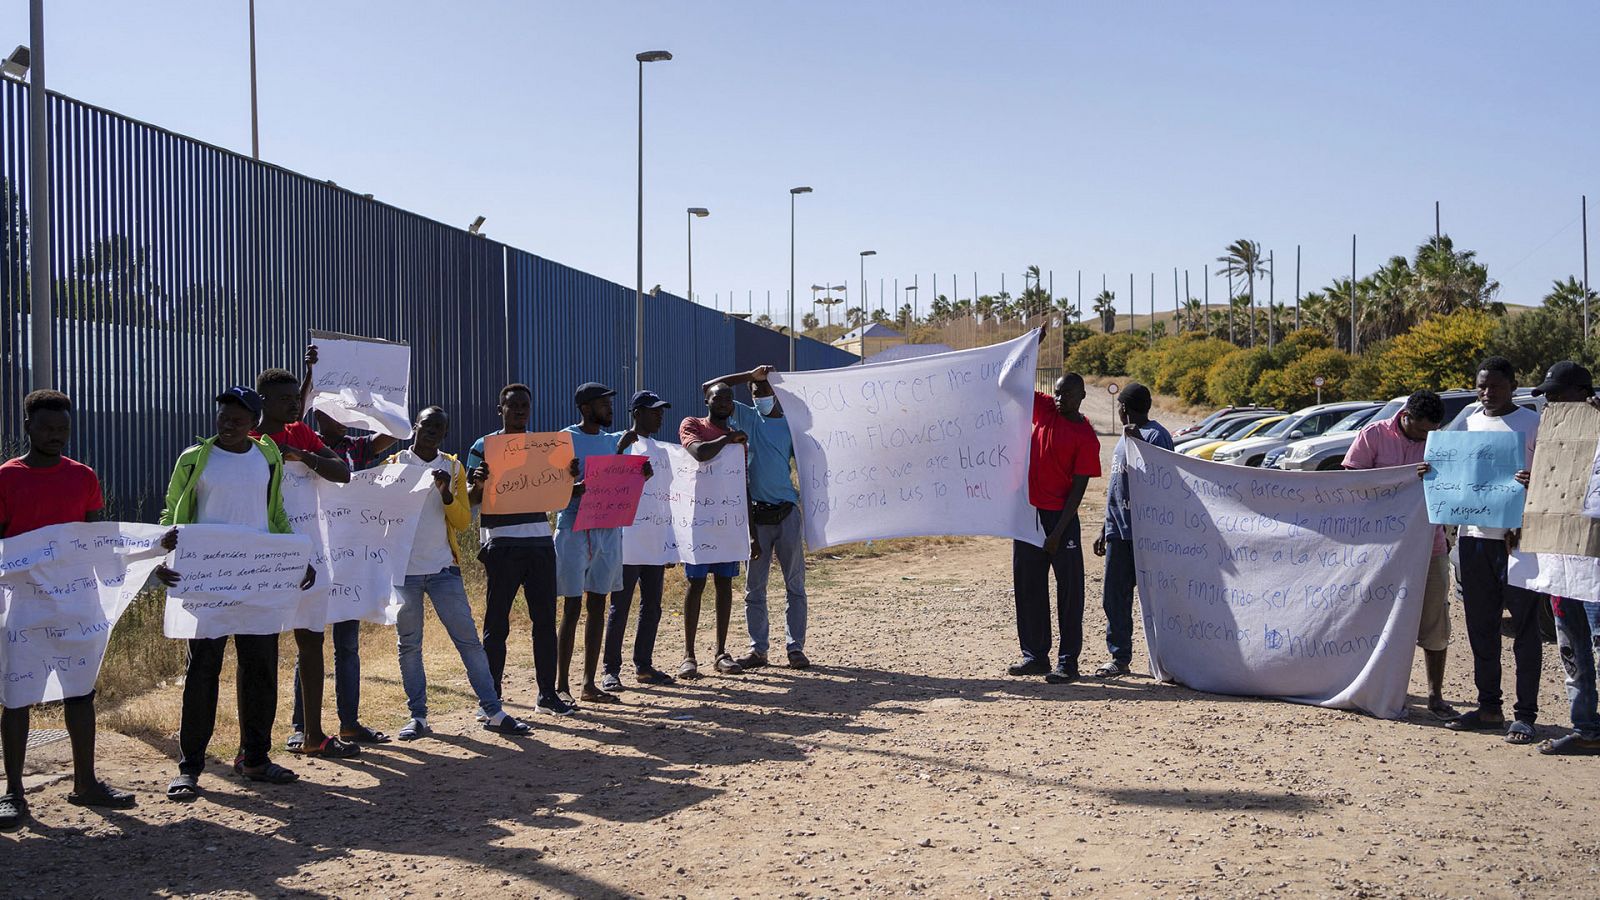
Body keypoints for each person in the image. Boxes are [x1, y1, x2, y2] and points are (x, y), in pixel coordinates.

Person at [0, 391, 175, 828]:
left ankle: (86, 783)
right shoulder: (6, 478)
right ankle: (14, 793)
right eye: (46, 428)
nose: (56, 436)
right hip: (22, 606)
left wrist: (152, 548)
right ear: (28, 428)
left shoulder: (83, 476)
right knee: (17, 696)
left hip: (76, 602)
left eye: (62, 429)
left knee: (80, 692)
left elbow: (99, 543)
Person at [164, 387, 318, 800]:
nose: (228, 423)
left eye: (237, 418)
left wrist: (295, 556)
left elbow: (276, 513)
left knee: (261, 671)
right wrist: (160, 558)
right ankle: (190, 768)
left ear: (253, 422)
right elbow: (171, 511)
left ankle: (256, 759)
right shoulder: (194, 459)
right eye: (223, 416)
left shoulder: (267, 457)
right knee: (202, 673)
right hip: (207, 583)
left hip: (258, 582)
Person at [387, 406, 531, 739]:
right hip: (404, 573)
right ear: (414, 427)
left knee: (468, 641)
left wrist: (447, 494)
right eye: (426, 426)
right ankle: (419, 717)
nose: (431, 433)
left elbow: (463, 522)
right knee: (409, 645)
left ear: (445, 434)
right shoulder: (393, 466)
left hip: (442, 569)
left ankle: (493, 710)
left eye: (439, 429)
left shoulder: (452, 468)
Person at [286, 343, 399, 747]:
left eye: (344, 413)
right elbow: (291, 414)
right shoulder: (302, 444)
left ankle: (349, 723)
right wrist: (311, 376)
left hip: (351, 560)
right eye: (329, 410)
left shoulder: (360, 448)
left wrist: (388, 388)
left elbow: (395, 430)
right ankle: (302, 727)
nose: (337, 417)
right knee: (309, 643)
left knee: (347, 646)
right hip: (314, 556)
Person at [250, 366, 359, 761]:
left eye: (297, 396)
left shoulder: (301, 434)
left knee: (312, 642)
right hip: (264, 559)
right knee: (260, 651)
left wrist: (302, 455)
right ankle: (255, 747)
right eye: (285, 398)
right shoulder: (247, 439)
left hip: (311, 553)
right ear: (263, 402)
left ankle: (314, 733)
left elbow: (342, 472)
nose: (295, 403)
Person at [1447, 356, 1544, 744]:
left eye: (1496, 386)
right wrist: (1430, 472)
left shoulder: (1532, 423)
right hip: (1474, 538)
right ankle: (1489, 707)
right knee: (1481, 628)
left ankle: (1525, 715)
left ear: (1514, 386)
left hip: (1520, 540)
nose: (1487, 393)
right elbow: (1444, 462)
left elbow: (1554, 476)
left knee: (1524, 629)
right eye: (1481, 385)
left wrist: (1533, 480)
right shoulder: (1467, 420)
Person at [466, 383, 574, 717]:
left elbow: (562, 495)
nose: (520, 411)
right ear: (500, 409)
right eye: (512, 406)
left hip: (540, 541)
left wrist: (570, 476)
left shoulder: (545, 447)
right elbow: (470, 498)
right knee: (497, 624)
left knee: (544, 621)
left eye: (525, 406)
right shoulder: (484, 446)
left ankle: (547, 695)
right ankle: (491, 698)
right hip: (502, 543)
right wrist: (479, 482)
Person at [1345, 390, 1454, 717]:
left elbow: (1453, 486)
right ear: (1405, 416)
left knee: (1435, 620)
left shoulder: (1440, 443)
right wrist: (1401, 479)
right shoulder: (1374, 435)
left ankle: (1435, 695)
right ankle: (1377, 687)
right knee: (1376, 618)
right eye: (1422, 430)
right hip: (1381, 549)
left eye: (1432, 431)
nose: (1426, 437)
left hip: (1430, 546)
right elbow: (1353, 481)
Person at [701, 365, 809, 670]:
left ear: (774, 394)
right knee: (754, 588)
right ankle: (758, 649)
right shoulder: (746, 417)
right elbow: (710, 385)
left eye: (765, 389)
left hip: (787, 514)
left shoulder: (791, 426)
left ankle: (795, 647)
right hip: (756, 517)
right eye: (755, 389)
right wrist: (751, 374)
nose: (759, 393)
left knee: (795, 585)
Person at [555, 383, 653, 705]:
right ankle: (561, 685)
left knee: (598, 603)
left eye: (610, 404)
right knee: (571, 607)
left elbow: (620, 482)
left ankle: (588, 683)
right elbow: (553, 490)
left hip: (608, 531)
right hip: (573, 528)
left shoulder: (616, 442)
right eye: (603, 404)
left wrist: (641, 475)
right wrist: (571, 487)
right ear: (585, 408)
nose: (610, 409)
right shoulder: (565, 439)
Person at [1521, 362, 1600, 755]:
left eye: (1556, 394)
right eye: (1547, 397)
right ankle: (1586, 729)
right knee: (1572, 650)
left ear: (1583, 394)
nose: (1550, 402)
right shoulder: (1551, 432)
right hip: (1564, 563)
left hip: (1595, 566)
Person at [1011, 366, 1101, 684]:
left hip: (1061, 521)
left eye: (1067, 394)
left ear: (1082, 397)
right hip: (1030, 517)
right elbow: (1011, 384)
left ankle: (1068, 662)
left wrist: (1057, 534)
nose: (1060, 399)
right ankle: (1035, 656)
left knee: (1069, 593)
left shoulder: (1086, 437)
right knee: (1028, 587)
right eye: (1058, 392)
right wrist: (1034, 344)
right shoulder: (1047, 409)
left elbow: (1077, 493)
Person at [1090, 382, 1172, 677]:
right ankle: (1119, 657)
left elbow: (1165, 479)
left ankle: (1161, 659)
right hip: (1118, 533)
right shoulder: (1123, 439)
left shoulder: (1156, 435)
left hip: (1146, 535)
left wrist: (1142, 446)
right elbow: (1116, 486)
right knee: (1114, 597)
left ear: (1123, 407)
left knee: (1154, 600)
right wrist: (1104, 527)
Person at [600, 390, 680, 692]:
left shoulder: (660, 450)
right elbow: (605, 482)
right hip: (627, 540)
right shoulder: (621, 443)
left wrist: (670, 542)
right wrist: (626, 463)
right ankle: (610, 670)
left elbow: (668, 497)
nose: (660, 415)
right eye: (654, 410)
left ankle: (644, 665)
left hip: (655, 539)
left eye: (661, 410)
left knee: (652, 606)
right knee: (620, 607)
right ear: (637, 413)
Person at [675, 381, 753, 678]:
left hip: (727, 522)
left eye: (729, 398)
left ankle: (721, 652)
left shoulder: (739, 442)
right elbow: (699, 453)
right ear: (706, 400)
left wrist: (751, 531)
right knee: (695, 585)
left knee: (724, 583)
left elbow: (741, 485)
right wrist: (729, 439)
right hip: (698, 520)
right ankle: (688, 655)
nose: (723, 402)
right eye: (717, 397)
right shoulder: (692, 424)